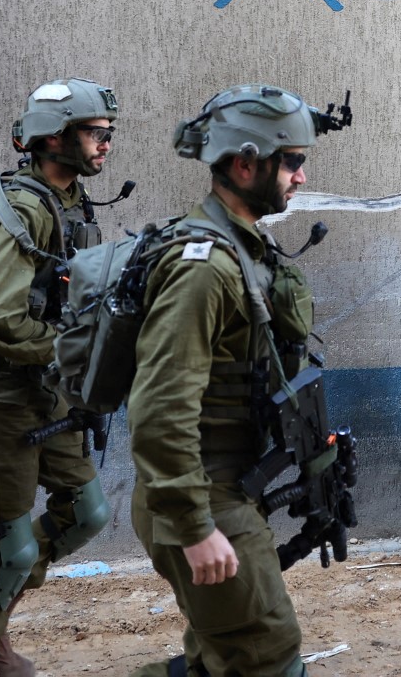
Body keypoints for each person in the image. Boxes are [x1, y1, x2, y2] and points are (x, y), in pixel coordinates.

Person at [127, 85, 329, 677]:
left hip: (224, 484)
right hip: (199, 493)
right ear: (245, 164)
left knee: (222, 652)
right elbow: (159, 410)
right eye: (291, 162)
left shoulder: (245, 246)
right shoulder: (205, 268)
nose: (301, 176)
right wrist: (195, 527)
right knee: (268, 655)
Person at [0, 80, 119, 676]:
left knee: (86, 512)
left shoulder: (69, 200)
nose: (106, 143)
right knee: (10, 545)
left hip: (45, 391)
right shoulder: (23, 208)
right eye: (95, 132)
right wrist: (70, 351)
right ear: (53, 137)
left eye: (108, 133)